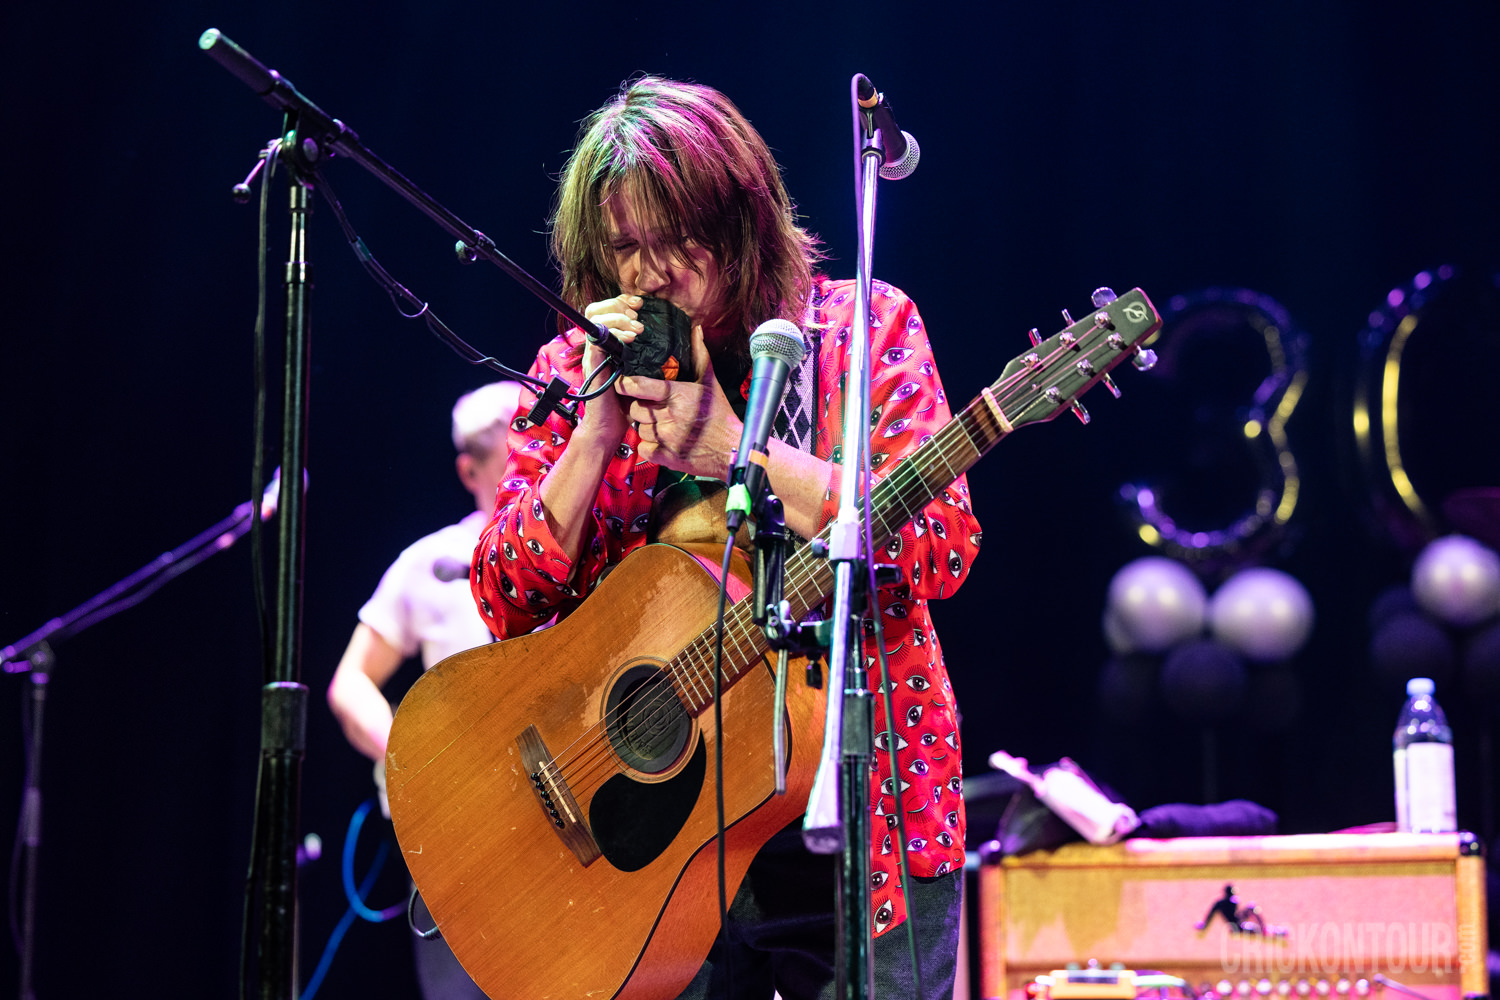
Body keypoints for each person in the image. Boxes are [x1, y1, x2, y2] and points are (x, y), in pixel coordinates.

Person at [470, 77, 982, 1000]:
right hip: (655, 841)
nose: (649, 273)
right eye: (624, 247)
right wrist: (591, 432)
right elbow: (504, 597)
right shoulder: (568, 372)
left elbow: (939, 546)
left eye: (675, 237)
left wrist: (733, 451)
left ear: (739, 220)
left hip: (862, 817)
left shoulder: (860, 330)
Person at [327, 380, 520, 1000]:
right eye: (508, 453)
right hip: (459, 845)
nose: (531, 461)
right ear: (470, 469)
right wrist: (415, 765)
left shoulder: (581, 547)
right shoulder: (431, 562)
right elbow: (349, 682)